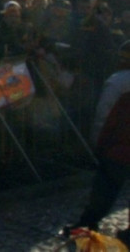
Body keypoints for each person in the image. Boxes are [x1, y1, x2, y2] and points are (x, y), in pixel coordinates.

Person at [62, 41, 130, 244]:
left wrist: (97, 143)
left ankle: (86, 225)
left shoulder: (119, 82)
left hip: (119, 147)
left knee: (105, 188)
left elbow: (105, 115)